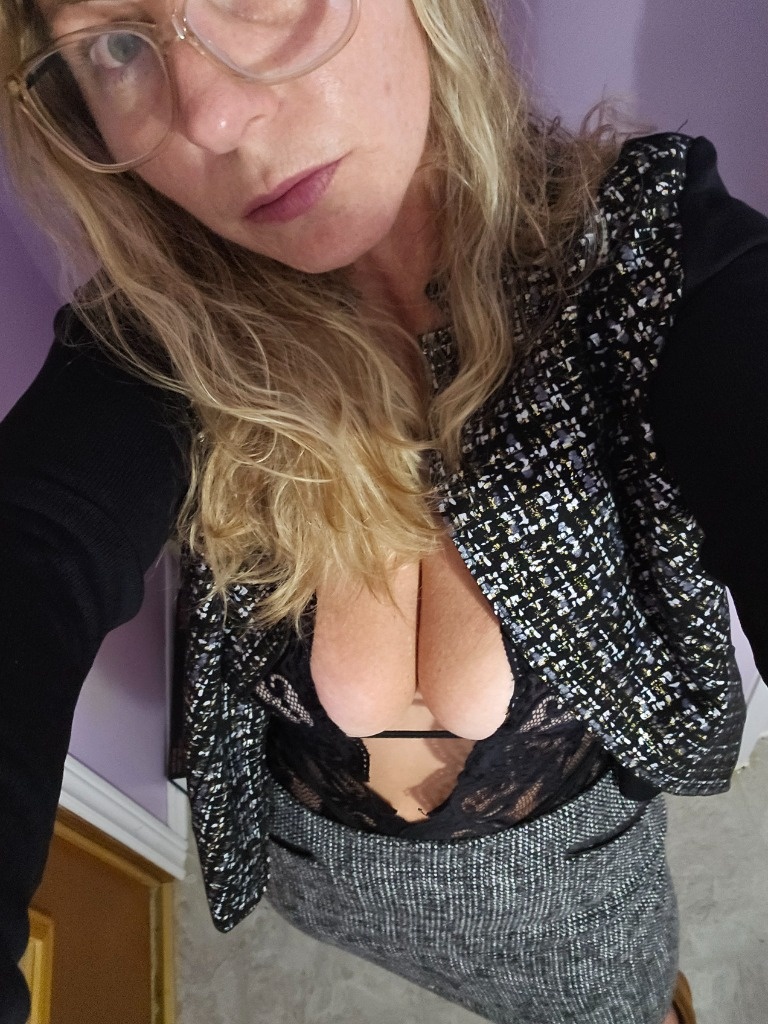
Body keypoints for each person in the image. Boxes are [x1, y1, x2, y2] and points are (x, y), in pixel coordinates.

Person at [0, 0, 766, 1021]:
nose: (211, 119)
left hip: (577, 892)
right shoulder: (168, 334)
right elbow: (35, 543)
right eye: (115, 45)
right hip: (319, 876)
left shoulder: (645, 258)